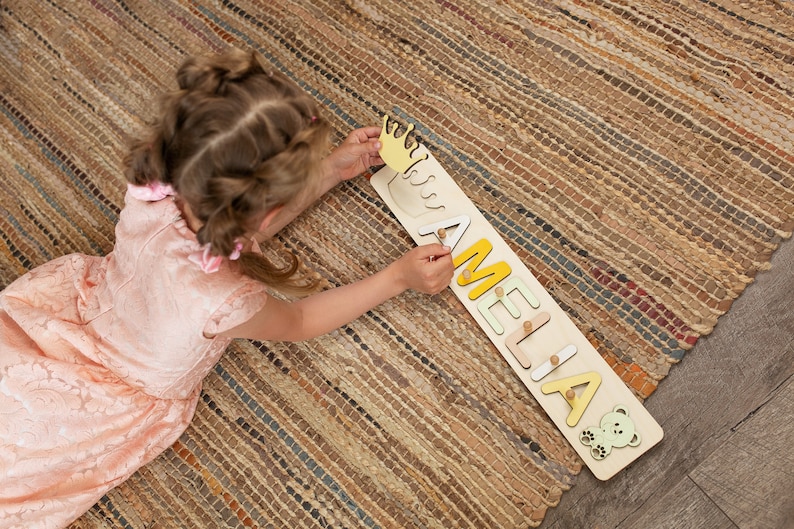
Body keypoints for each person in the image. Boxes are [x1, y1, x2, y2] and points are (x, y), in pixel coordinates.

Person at [0, 48, 454, 528]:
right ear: (266, 213)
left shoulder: (158, 191)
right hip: (120, 392)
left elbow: (237, 222)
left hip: (78, 310)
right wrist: (395, 277)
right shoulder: (223, 300)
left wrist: (332, 169)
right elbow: (300, 321)